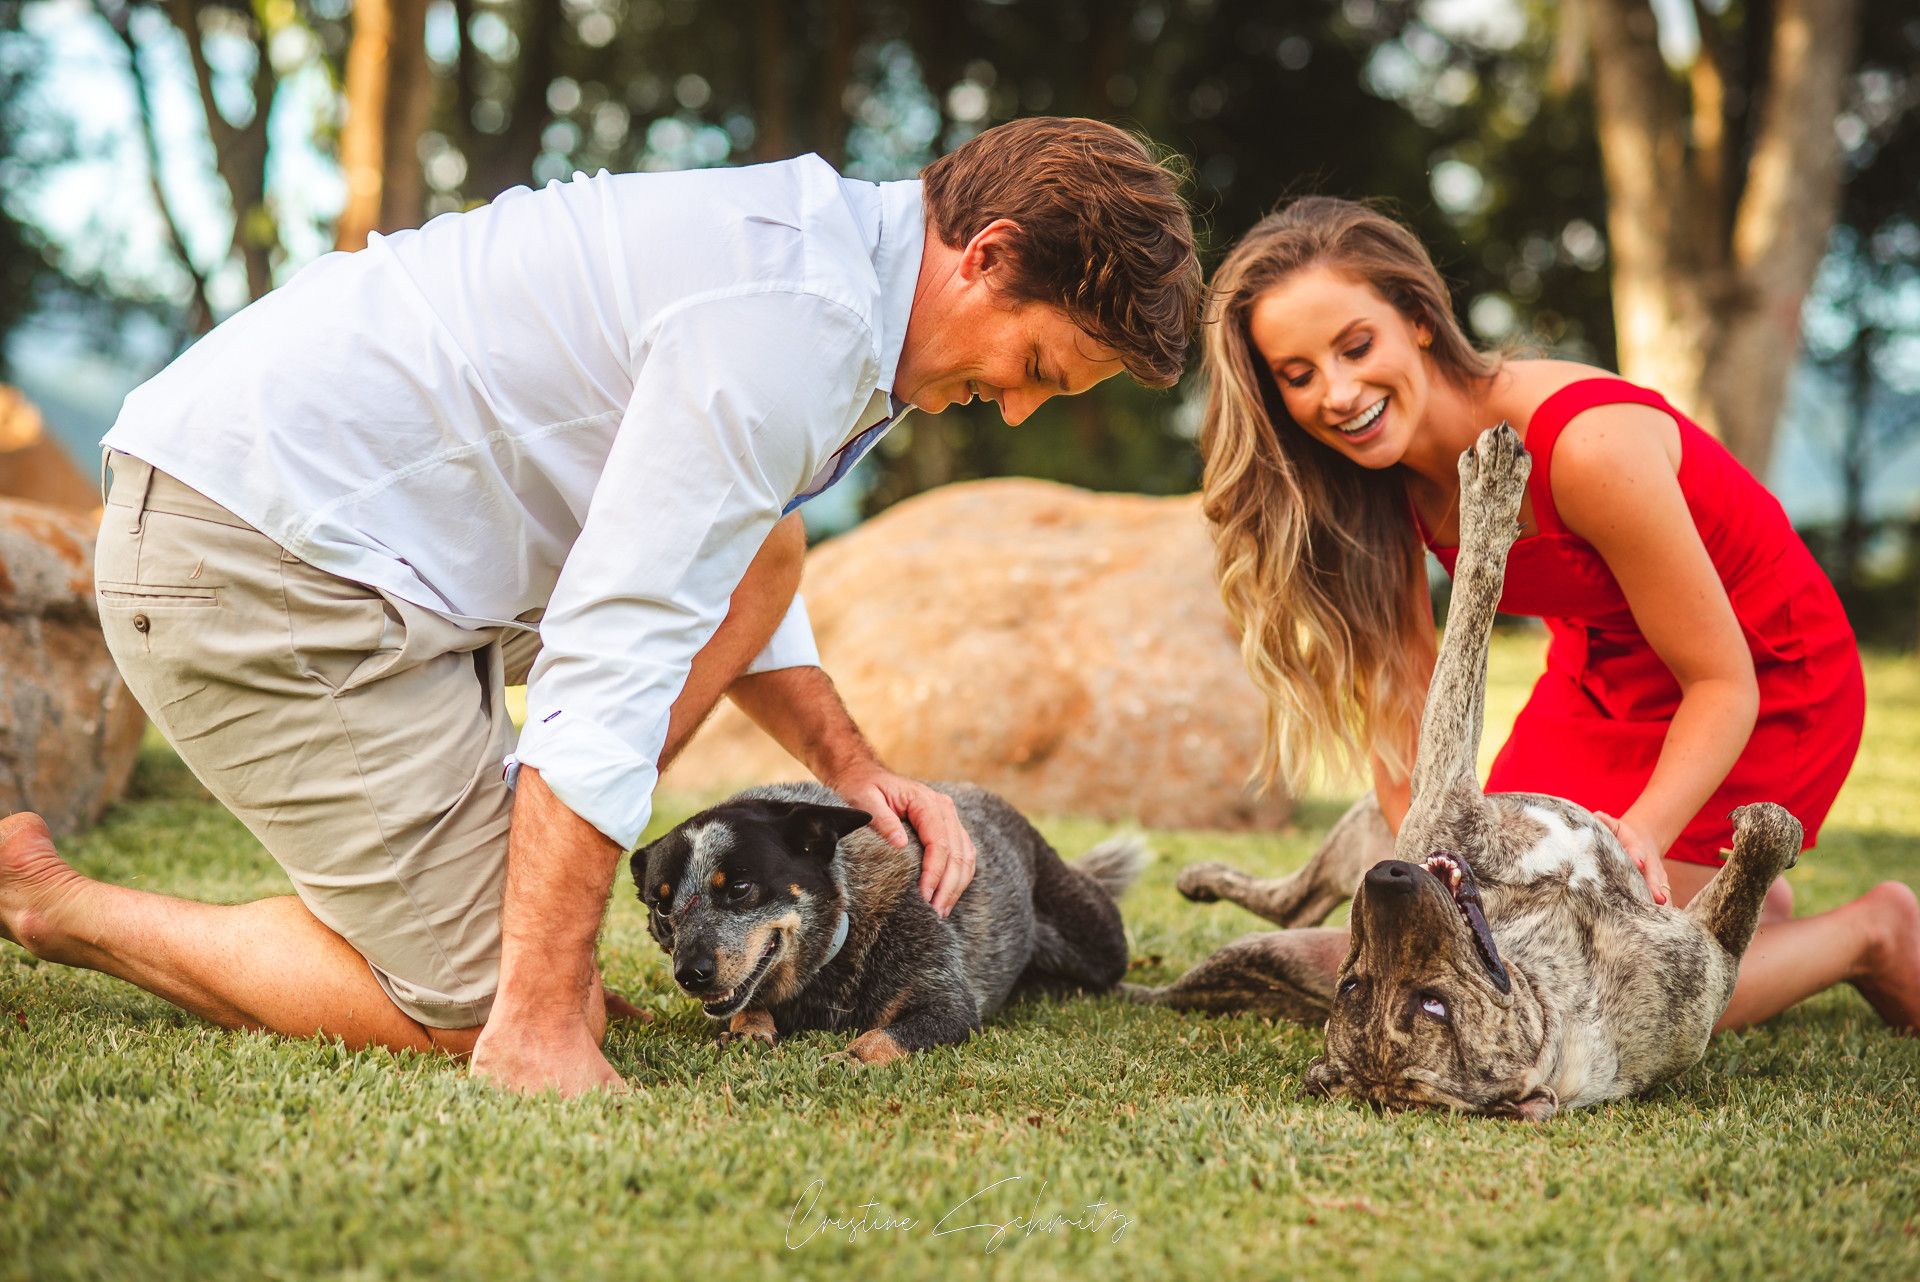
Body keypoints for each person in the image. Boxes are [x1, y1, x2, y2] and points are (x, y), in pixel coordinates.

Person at [0, 117, 1203, 1095]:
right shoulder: (794, 324)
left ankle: (488, 889)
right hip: (253, 559)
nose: (1020, 406)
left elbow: (741, 565)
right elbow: (616, 645)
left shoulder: (834, 272)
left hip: (383, 554)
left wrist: (850, 765)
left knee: (767, 551)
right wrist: (535, 1011)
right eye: (1040, 366)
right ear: (985, 255)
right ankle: (64, 910)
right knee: (496, 1004)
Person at [1197, 196, 1919, 1031]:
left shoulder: (1586, 446)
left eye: (1357, 346)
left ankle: (1873, 932)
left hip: (1761, 681)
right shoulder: (1377, 482)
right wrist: (1429, 874)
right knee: (1491, 946)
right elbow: (1407, 702)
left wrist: (1640, 840)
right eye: (1298, 374)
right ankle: (1741, 907)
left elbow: (1724, 681)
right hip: (1599, 675)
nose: (1340, 391)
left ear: (1420, 321)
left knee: (1593, 995)